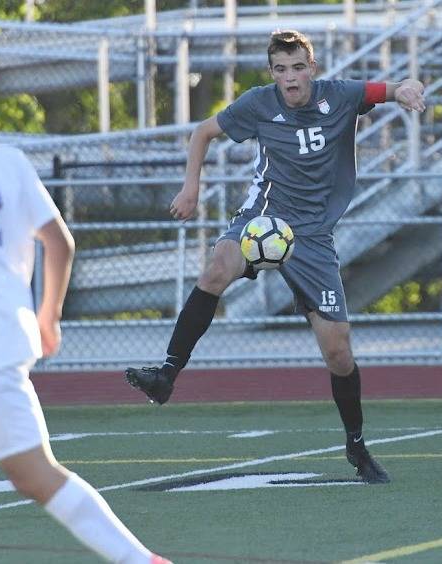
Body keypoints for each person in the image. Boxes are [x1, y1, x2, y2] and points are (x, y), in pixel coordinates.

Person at [0, 49, 170, 564]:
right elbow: (59, 242)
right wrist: (48, 313)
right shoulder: (6, 160)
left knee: (35, 474)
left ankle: (142, 561)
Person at [125, 30, 425, 484]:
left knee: (338, 353)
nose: (290, 78)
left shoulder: (340, 96)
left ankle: (357, 447)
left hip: (313, 238)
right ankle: (167, 374)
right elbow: (203, 133)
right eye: (281, 69)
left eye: (298, 67)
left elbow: (390, 88)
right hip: (265, 218)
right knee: (216, 268)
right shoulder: (259, 103)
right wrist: (191, 188)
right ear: (272, 74)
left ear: (313, 68)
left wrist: (407, 90)